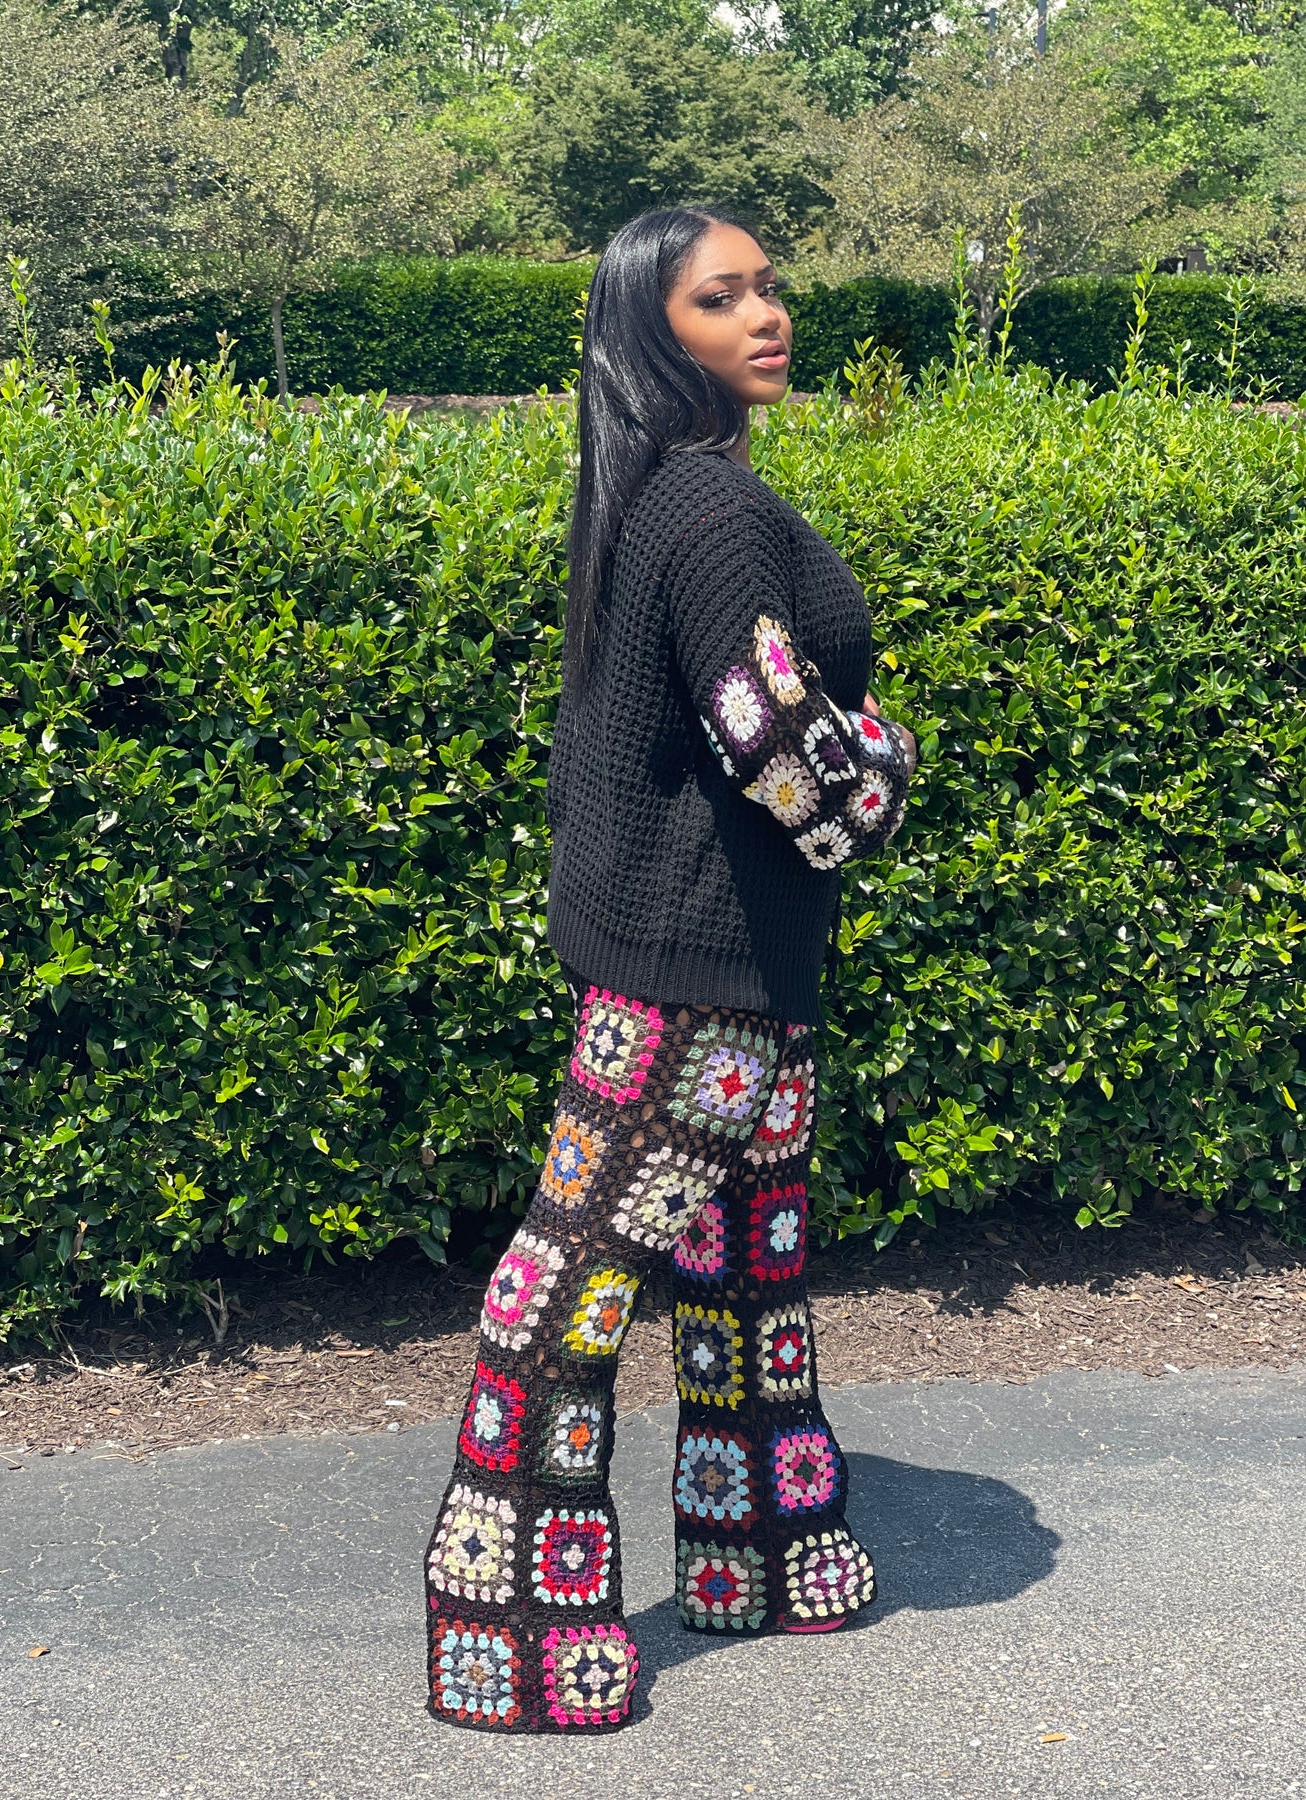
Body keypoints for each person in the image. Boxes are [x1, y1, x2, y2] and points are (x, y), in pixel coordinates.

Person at [424, 206, 918, 1736]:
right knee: (573, 1287)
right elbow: (789, 760)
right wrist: (888, 761)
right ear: (655, 330)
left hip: (738, 958)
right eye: (721, 297)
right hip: (699, 969)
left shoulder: (667, 488)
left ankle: (760, 1555)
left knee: (744, 1275)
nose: (765, 313)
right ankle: (506, 1622)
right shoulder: (705, 506)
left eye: (767, 286)